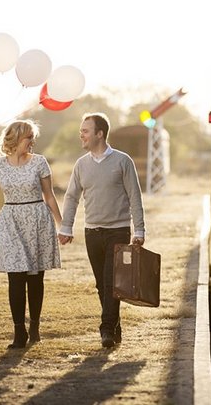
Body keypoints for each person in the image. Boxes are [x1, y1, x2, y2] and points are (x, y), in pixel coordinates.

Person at [0, 119, 62, 349]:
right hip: (11, 222)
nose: (32, 141)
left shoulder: (39, 162)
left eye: (33, 137)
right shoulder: (0, 165)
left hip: (38, 221)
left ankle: (35, 326)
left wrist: (63, 225)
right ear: (16, 139)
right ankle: (19, 332)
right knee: (16, 278)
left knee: (35, 278)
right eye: (29, 137)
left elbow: (49, 196)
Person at [58, 112, 145, 348]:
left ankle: (106, 329)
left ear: (100, 133)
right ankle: (114, 325)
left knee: (111, 282)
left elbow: (135, 197)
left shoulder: (122, 161)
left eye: (85, 131)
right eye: (81, 131)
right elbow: (72, 197)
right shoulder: (81, 164)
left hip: (118, 231)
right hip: (92, 232)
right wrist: (66, 226)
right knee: (101, 284)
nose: (81, 135)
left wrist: (139, 230)